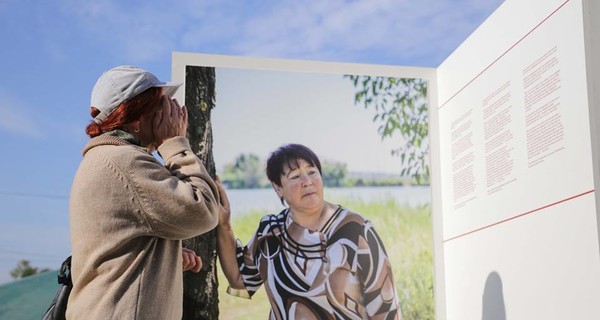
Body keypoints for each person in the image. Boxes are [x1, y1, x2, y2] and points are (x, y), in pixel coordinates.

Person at [67, 65, 220, 319]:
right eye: (162, 104)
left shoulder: (105, 159)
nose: (171, 112)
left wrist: (164, 259)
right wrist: (175, 145)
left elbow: (117, 245)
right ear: (137, 118)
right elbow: (203, 210)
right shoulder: (125, 162)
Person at [216, 143, 401, 320]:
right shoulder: (270, 232)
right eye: (295, 176)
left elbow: (386, 308)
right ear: (278, 188)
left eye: (312, 172)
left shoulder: (356, 230)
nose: (307, 182)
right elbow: (240, 281)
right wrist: (224, 225)